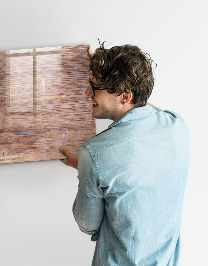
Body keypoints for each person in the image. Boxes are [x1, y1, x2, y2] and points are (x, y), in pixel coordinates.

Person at [59, 43, 190, 265]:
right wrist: (107, 72)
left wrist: (85, 167)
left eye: (95, 87)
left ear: (125, 96)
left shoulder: (94, 154)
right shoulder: (177, 125)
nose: (87, 92)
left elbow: (87, 224)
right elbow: (143, 106)